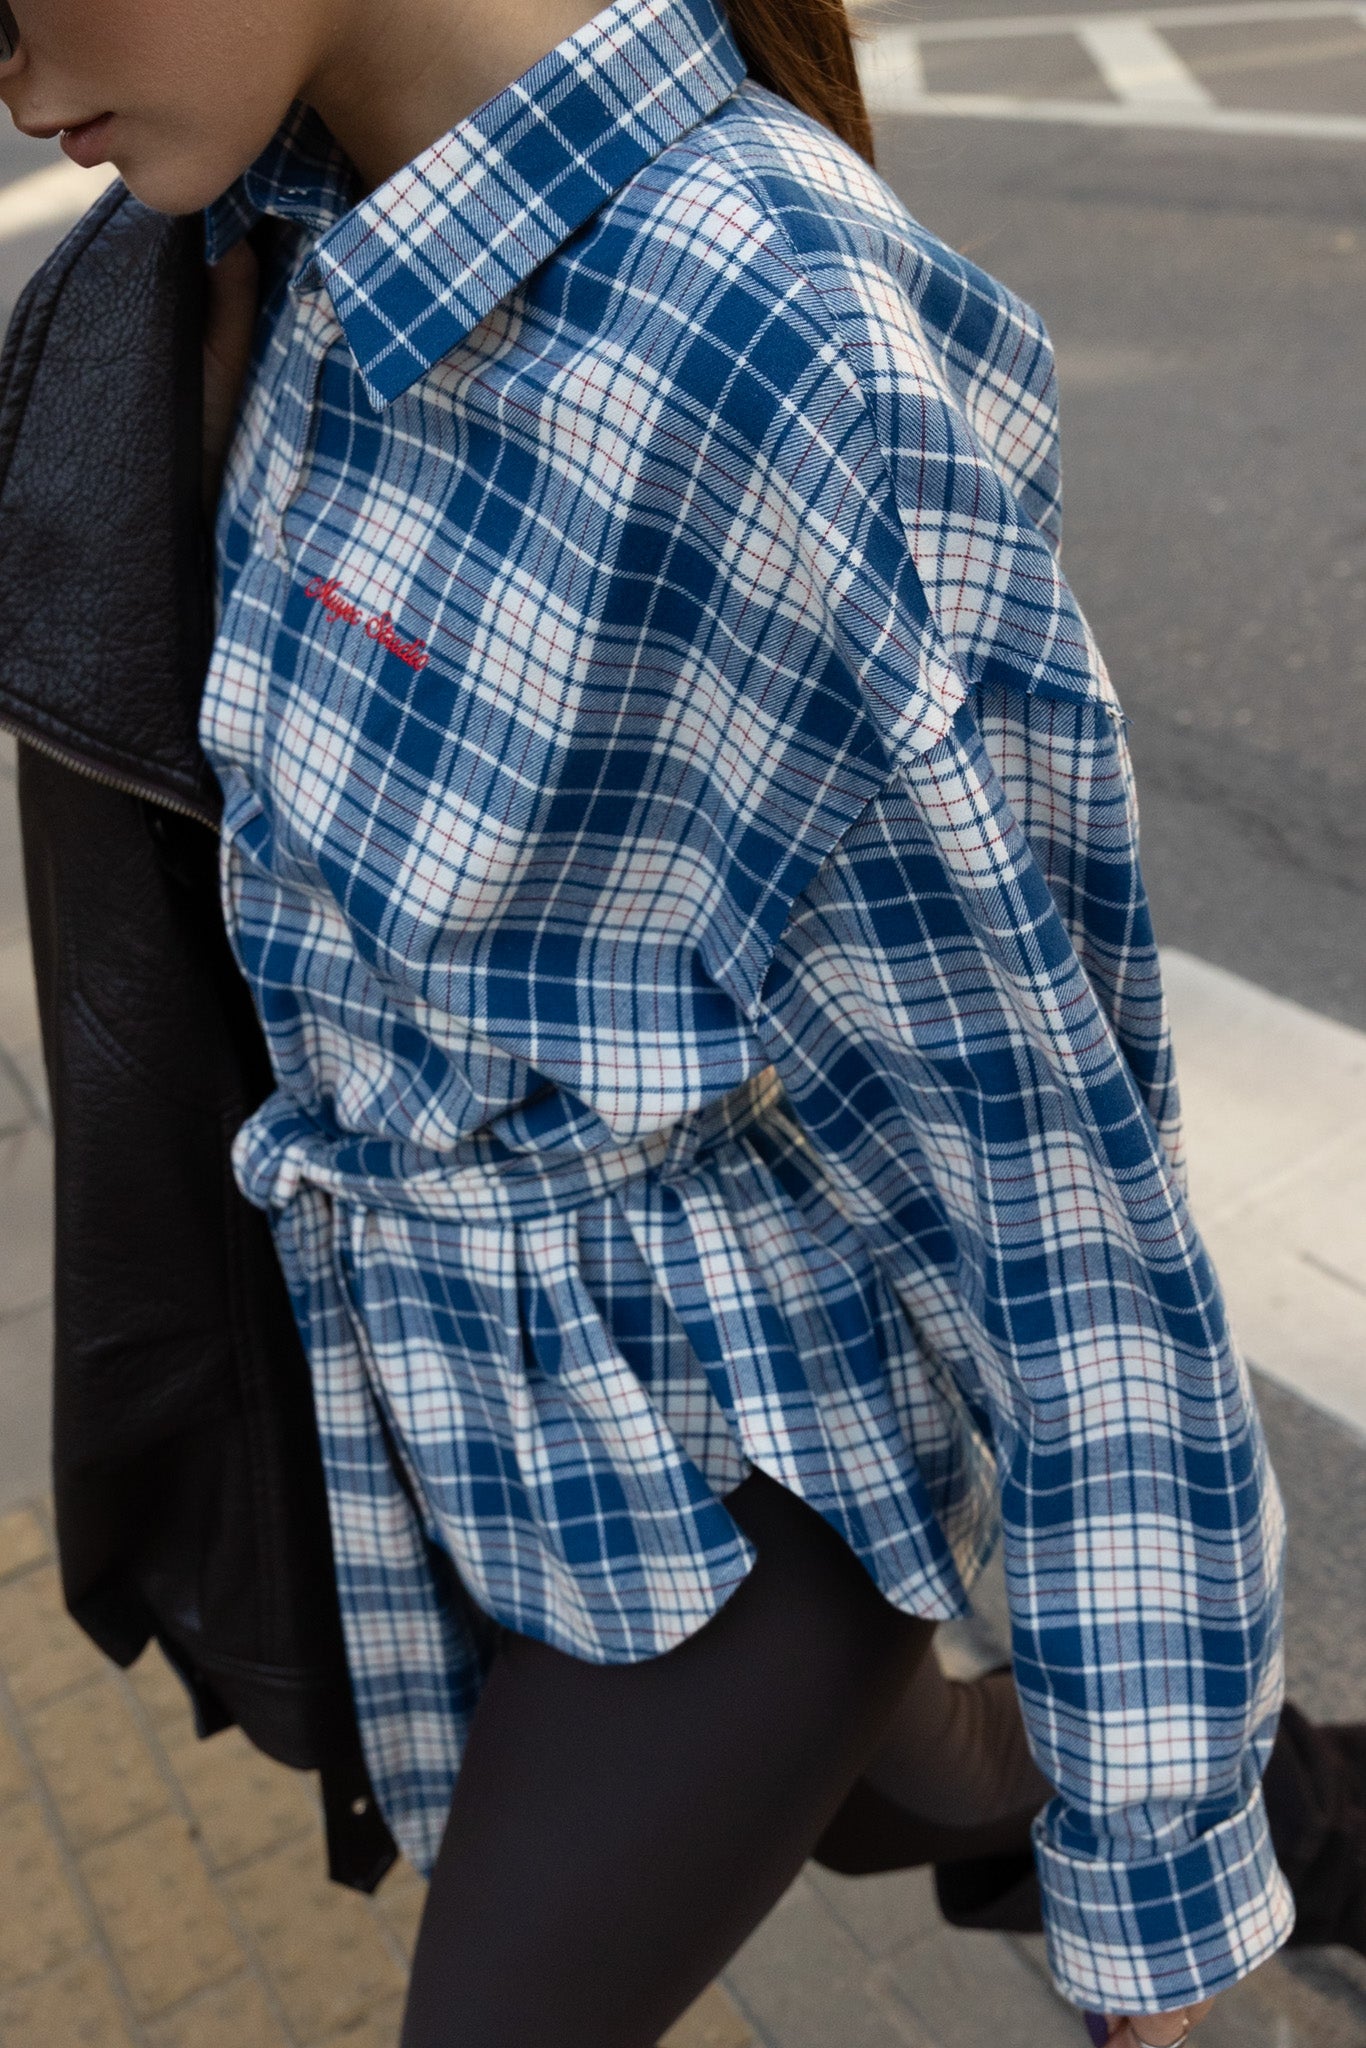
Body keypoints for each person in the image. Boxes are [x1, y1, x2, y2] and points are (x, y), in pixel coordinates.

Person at [0, 0, 1319, 2042]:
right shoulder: (259, 251)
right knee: (914, 1787)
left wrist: (1158, 1859)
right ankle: (1308, 1813)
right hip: (459, 1421)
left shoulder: (760, 322)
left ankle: (1212, 1794)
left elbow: (1042, 1159)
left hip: (727, 1465)